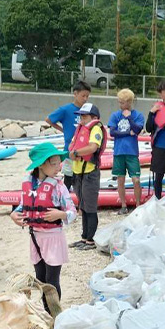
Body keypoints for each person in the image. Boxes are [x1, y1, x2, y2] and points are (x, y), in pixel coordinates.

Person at [10, 142, 77, 301]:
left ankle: (54, 315)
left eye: (58, 163)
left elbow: (73, 212)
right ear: (40, 165)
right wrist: (14, 215)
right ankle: (45, 314)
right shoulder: (29, 184)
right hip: (35, 238)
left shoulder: (59, 187)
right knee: (40, 279)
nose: (58, 167)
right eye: (53, 164)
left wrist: (60, 214)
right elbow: (21, 206)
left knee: (52, 282)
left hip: (54, 239)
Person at [68, 102, 106, 250]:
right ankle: (84, 237)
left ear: (94, 117)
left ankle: (90, 239)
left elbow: (92, 147)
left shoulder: (96, 128)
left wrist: (76, 153)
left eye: (84, 116)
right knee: (83, 206)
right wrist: (73, 154)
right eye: (80, 116)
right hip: (78, 172)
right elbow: (72, 146)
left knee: (90, 207)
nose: (81, 119)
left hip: (90, 172)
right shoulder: (81, 129)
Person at [45, 81, 91, 189]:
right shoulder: (66, 109)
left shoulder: (88, 110)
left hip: (85, 148)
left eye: (87, 96)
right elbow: (49, 119)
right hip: (70, 148)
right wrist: (62, 130)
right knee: (68, 176)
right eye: (83, 95)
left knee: (82, 176)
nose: (85, 99)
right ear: (75, 94)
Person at [107, 88, 145, 214]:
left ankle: (138, 205)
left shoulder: (138, 115)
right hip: (118, 152)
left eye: (122, 102)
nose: (120, 105)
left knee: (136, 180)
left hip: (132, 152)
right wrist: (128, 133)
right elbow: (112, 132)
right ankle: (123, 205)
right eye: (119, 102)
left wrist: (129, 119)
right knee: (120, 179)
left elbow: (138, 130)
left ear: (129, 102)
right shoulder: (115, 115)